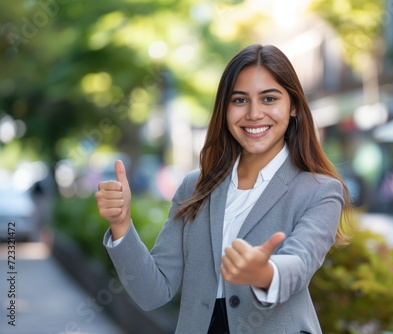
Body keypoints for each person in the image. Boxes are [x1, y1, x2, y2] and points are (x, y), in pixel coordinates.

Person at [95, 44, 352, 334]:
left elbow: (300, 261)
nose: (254, 114)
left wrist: (266, 273)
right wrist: (121, 224)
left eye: (269, 98)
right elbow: (153, 292)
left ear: (293, 106)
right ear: (225, 109)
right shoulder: (195, 186)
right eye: (240, 100)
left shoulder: (320, 191)